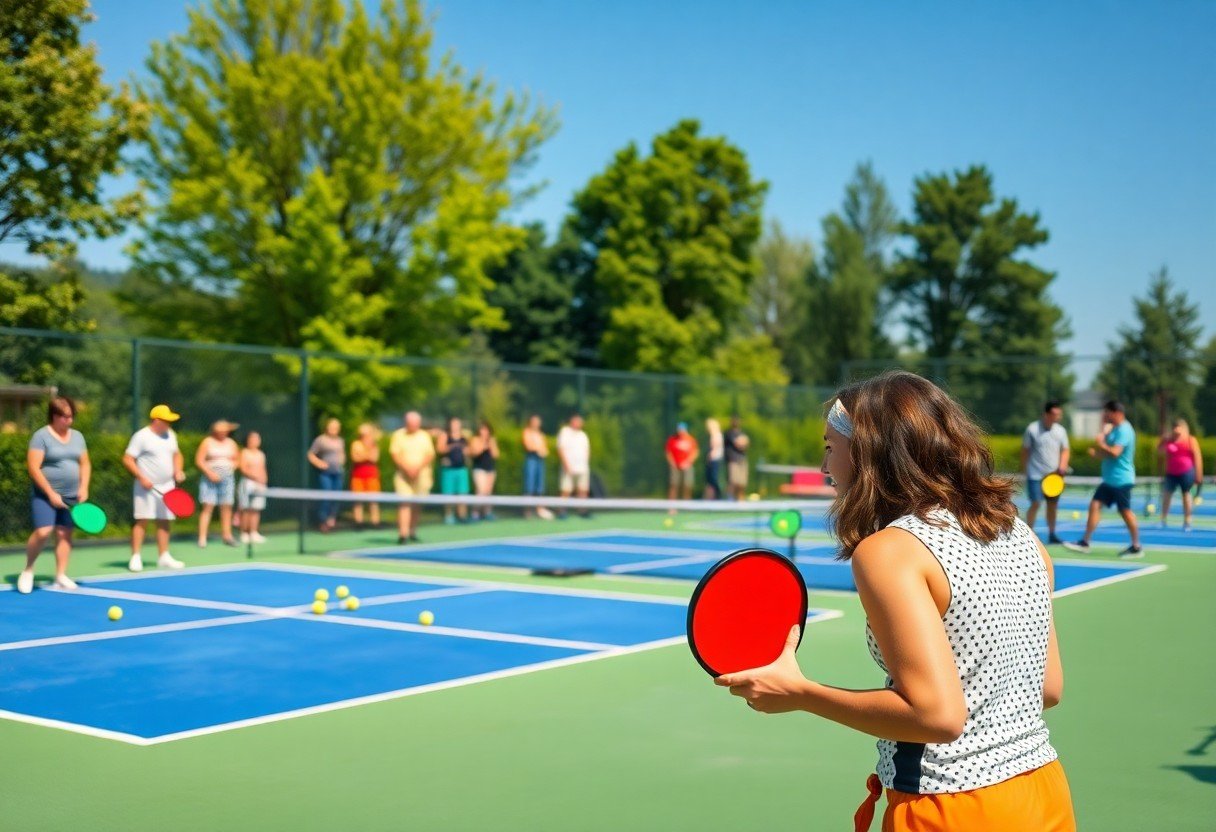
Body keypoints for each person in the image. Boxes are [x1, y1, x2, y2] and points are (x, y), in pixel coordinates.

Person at [715, 372, 1074, 832]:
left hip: (952, 809)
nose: (825, 467)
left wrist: (800, 693)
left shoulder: (889, 551)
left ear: (867, 452)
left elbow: (937, 717)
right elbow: (1048, 689)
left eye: (830, 447)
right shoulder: (1020, 534)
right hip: (1044, 792)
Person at [19, 396, 90, 593]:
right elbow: (33, 467)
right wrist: (50, 493)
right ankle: (28, 570)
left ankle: (60, 575)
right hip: (44, 495)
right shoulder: (41, 436)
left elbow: (85, 463)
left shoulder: (77, 437)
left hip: (71, 495)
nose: (69, 420)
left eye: (71, 416)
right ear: (54, 416)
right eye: (65, 417)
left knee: (64, 534)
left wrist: (84, 487)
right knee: (43, 531)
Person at [1063, 401, 1142, 558]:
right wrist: (1099, 449)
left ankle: (1136, 546)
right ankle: (1085, 542)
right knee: (1095, 505)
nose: (1105, 416)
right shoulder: (1114, 429)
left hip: (1122, 480)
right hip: (1110, 480)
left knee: (1125, 512)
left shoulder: (1125, 430)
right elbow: (1108, 452)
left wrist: (1101, 442)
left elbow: (1115, 452)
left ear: (1116, 413)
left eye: (1107, 413)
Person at [123, 404, 186, 572]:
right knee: (142, 519)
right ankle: (135, 557)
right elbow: (128, 459)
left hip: (167, 486)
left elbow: (177, 454)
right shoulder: (141, 436)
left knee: (164, 520)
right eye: (166, 420)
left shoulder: (170, 435)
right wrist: (141, 477)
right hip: (146, 487)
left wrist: (178, 470)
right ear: (156, 420)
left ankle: (164, 556)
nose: (169, 424)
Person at [1021, 401, 1071, 544]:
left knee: (1052, 506)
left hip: (1054, 476)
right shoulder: (1032, 429)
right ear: (1046, 414)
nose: (1058, 417)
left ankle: (1052, 534)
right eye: (1055, 414)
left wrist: (1062, 465)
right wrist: (1024, 471)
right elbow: (1025, 451)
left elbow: (1065, 450)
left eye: (1059, 414)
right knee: (1036, 502)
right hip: (1035, 474)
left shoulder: (1061, 431)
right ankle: (1028, 534)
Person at [389, 411, 435, 544]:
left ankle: (412, 531)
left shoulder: (424, 436)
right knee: (404, 503)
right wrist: (407, 469)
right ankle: (402, 534)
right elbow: (395, 454)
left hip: (422, 476)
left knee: (417, 504)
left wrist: (417, 469)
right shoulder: (398, 435)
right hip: (403, 477)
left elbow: (429, 454)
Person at [196, 419, 240, 548]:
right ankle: (202, 538)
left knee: (226, 507)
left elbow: (237, 459)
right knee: (207, 507)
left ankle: (227, 536)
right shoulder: (207, 442)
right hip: (209, 478)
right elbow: (199, 460)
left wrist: (231, 468)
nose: (223, 433)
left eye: (225, 431)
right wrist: (210, 473)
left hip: (227, 478)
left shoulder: (231, 443)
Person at [1158, 418, 1203, 531]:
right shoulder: (1169, 440)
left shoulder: (1190, 440)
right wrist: (1163, 440)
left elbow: (1197, 458)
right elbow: (1159, 451)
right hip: (1171, 473)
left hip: (1186, 472)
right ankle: (1163, 519)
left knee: (1186, 495)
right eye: (1174, 427)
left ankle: (1187, 521)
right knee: (1166, 495)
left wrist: (1199, 474)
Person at [307, 418, 346, 532]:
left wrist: (342, 461)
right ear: (327, 427)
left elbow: (342, 453)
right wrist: (320, 463)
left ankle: (331, 519)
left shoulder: (340, 440)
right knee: (326, 497)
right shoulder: (321, 440)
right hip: (326, 474)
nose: (333, 429)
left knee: (336, 497)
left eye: (336, 427)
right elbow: (310, 454)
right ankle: (323, 521)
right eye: (331, 426)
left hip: (338, 473)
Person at [434, 417, 471, 524]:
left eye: (457, 424)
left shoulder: (464, 438)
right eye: (454, 424)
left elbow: (469, 451)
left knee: (462, 493)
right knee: (448, 494)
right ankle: (449, 515)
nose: (456, 426)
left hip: (461, 469)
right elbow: (440, 449)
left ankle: (462, 516)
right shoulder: (445, 436)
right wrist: (452, 446)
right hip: (448, 469)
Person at [556, 413, 591, 518]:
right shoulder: (565, 432)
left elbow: (587, 450)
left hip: (582, 468)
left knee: (583, 490)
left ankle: (583, 511)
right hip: (569, 467)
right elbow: (560, 449)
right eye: (578, 421)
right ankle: (562, 511)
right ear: (572, 421)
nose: (580, 423)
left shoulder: (583, 435)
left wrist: (585, 463)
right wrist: (566, 464)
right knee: (565, 490)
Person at [350, 422, 382, 528]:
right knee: (358, 500)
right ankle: (359, 523)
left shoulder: (374, 445)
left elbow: (374, 458)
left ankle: (375, 523)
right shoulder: (356, 444)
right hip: (358, 476)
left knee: (373, 500)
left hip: (372, 476)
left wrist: (364, 454)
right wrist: (367, 455)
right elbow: (356, 458)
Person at [237, 430, 268, 544]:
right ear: (248, 440)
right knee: (246, 509)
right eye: (252, 439)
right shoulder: (244, 452)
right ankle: (244, 533)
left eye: (257, 439)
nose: (255, 441)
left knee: (256, 509)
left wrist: (263, 481)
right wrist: (254, 477)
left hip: (260, 485)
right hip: (247, 483)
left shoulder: (261, 454)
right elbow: (242, 468)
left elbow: (263, 469)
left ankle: (254, 532)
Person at [521, 414, 551, 519]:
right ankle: (527, 511)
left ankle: (539, 509)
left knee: (539, 486)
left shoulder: (541, 434)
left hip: (540, 461)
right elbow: (529, 446)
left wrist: (541, 449)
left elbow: (545, 449)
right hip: (531, 460)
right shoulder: (527, 432)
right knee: (529, 486)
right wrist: (538, 448)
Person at [469, 420, 500, 521]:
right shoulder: (475, 440)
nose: (484, 432)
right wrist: (483, 445)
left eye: (486, 430)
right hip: (479, 469)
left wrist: (491, 445)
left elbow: (496, 455)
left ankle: (487, 512)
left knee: (488, 492)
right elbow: (474, 453)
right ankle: (475, 513)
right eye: (482, 429)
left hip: (490, 469)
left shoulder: (492, 440)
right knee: (480, 491)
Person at [665, 422, 699, 507]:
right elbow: (668, 452)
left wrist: (688, 462)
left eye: (682, 430)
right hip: (675, 466)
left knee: (687, 485)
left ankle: (686, 505)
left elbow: (695, 452)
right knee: (674, 485)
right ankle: (672, 506)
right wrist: (672, 463)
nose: (680, 432)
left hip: (687, 466)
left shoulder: (691, 440)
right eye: (679, 430)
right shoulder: (672, 439)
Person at [723, 415, 750, 500]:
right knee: (733, 481)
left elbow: (746, 443)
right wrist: (742, 442)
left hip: (742, 460)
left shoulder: (742, 433)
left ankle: (740, 500)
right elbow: (739, 444)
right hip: (733, 460)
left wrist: (743, 443)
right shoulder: (729, 433)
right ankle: (729, 499)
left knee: (742, 483)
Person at [703, 417, 725, 500]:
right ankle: (711, 498)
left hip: (714, 459)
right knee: (710, 480)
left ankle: (718, 497)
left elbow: (714, 448)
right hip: (714, 459)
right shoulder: (715, 435)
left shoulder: (716, 435)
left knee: (713, 480)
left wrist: (709, 457)